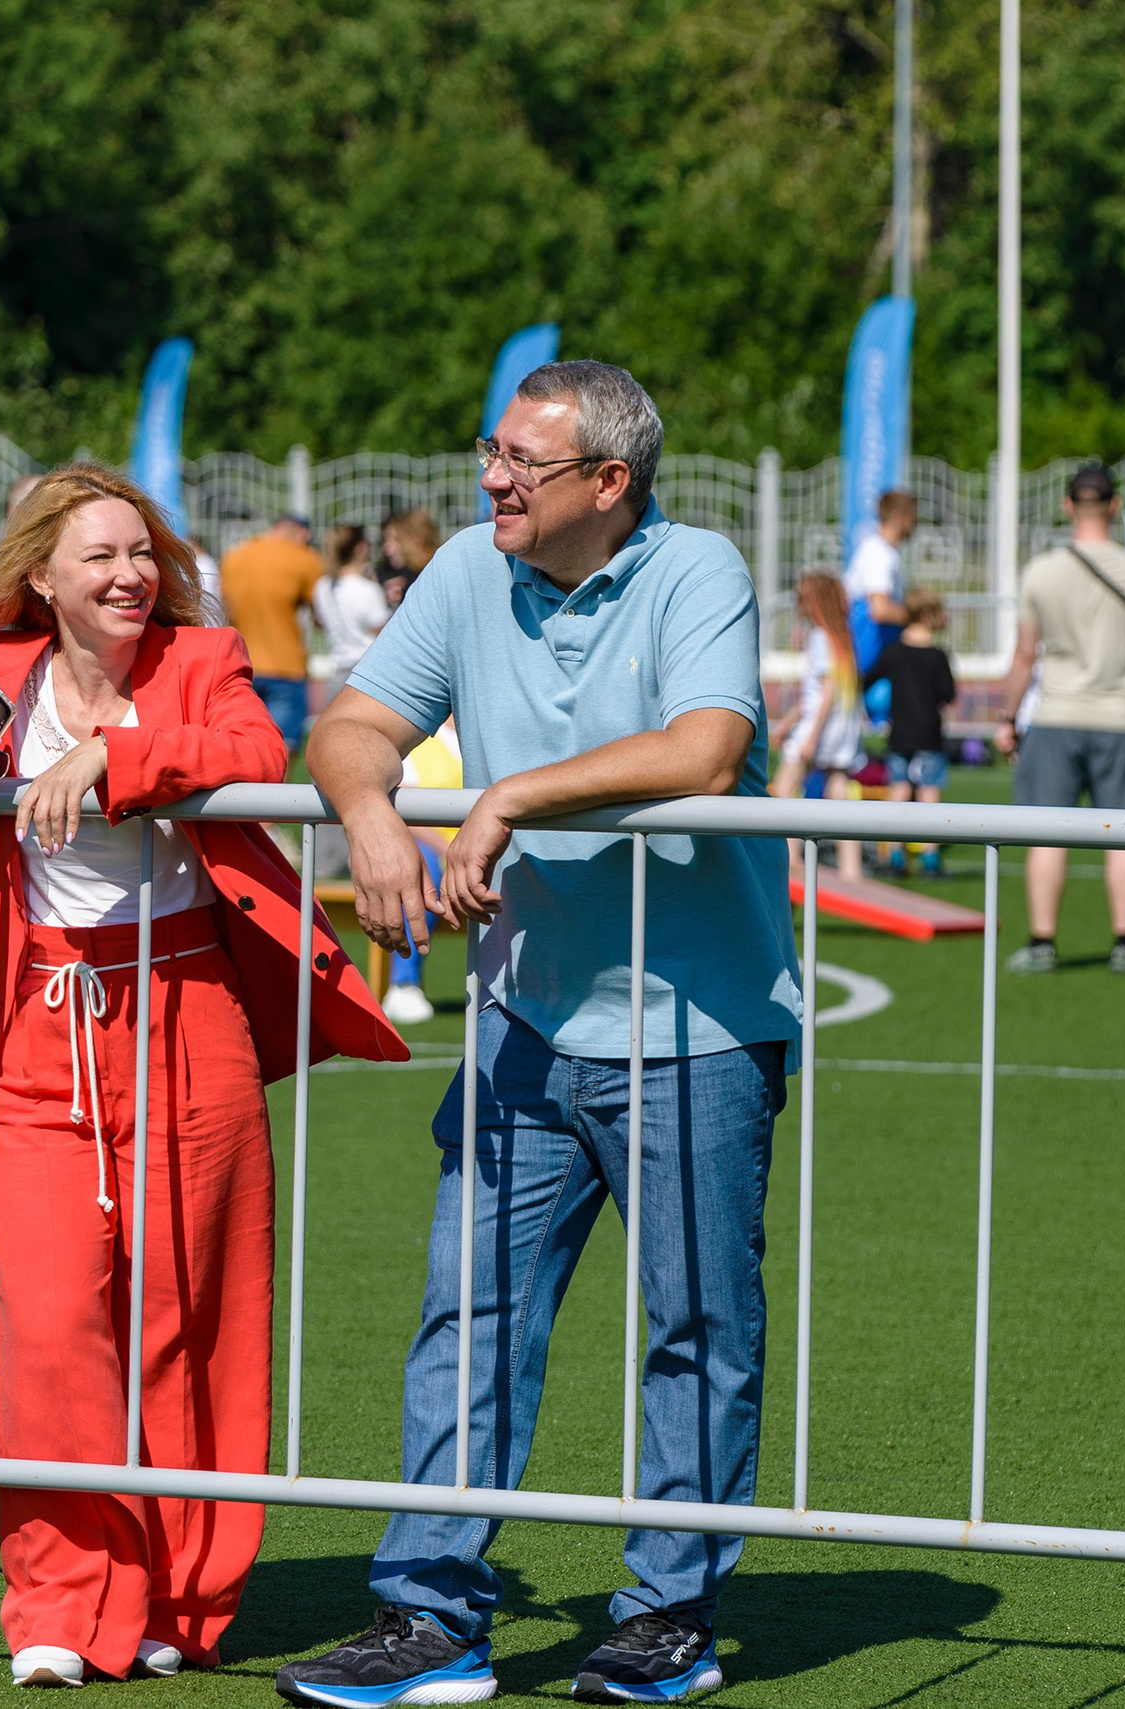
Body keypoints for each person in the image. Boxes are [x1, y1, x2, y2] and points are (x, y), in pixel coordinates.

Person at [288, 359, 800, 1706]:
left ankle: (667, 1610)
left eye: (524, 459)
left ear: (609, 484)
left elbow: (703, 748)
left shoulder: (698, 570)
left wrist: (510, 794)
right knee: (469, 1318)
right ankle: (430, 1615)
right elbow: (347, 724)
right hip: (521, 1023)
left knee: (698, 1327)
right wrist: (374, 814)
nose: (493, 477)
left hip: (695, 1032)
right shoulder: (466, 568)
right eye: (489, 448)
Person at [0, 463, 401, 1688]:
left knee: (185, 1322)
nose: (129, 573)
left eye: (140, 551)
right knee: (46, 1330)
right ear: (41, 575)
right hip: (34, 1027)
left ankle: (181, 1600)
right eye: (99, 555)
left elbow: (251, 746)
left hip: (187, 1015)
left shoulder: (199, 658)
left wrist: (110, 755)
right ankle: (59, 1597)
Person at [995, 463, 1125, 976]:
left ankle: (1041, 942)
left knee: (1046, 832)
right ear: (1115, 505)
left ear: (1066, 505)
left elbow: (1023, 657)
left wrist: (1007, 718)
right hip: (1121, 718)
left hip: (1055, 714)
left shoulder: (1040, 572)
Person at [769, 571, 866, 879]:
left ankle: (792, 856)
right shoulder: (841, 639)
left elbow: (825, 693)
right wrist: (785, 723)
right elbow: (816, 696)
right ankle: (851, 868)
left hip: (821, 727)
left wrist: (810, 736)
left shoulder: (820, 638)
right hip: (841, 728)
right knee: (840, 794)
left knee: (784, 790)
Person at [870, 585, 959, 876]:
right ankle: (930, 857)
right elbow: (947, 693)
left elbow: (867, 678)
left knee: (899, 788)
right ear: (931, 615)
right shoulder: (937, 654)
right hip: (930, 733)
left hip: (900, 733)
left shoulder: (893, 652)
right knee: (929, 791)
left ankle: (896, 855)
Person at [381, 718, 463, 1028]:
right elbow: (405, 812)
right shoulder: (419, 737)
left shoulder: (490, 732)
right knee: (420, 870)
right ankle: (404, 983)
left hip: (485, 847)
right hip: (431, 848)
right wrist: (448, 849)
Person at [218, 514, 324, 749]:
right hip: (286, 667)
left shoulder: (234, 556)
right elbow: (320, 616)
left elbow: (225, 610)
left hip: (241, 665)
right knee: (280, 751)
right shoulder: (304, 558)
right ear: (304, 534)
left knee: (245, 748)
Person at [843, 488, 916, 672]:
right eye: (913, 517)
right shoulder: (879, 553)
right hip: (868, 656)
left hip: (869, 655)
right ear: (900, 517)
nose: (915, 523)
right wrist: (916, 617)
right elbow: (880, 609)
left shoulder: (881, 550)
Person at [312, 524, 391, 690]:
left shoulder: (322, 586)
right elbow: (384, 636)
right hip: (367, 672)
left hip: (337, 670)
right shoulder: (367, 590)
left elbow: (318, 622)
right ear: (360, 548)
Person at [376, 508, 439, 607]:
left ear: (417, 540)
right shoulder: (393, 575)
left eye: (397, 539)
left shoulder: (434, 574)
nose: (387, 548)